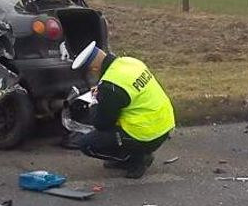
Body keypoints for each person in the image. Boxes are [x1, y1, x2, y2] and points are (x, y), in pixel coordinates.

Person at [70, 41, 174, 179]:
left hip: (146, 134)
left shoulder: (110, 85)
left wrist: (94, 103)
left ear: (94, 69)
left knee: (86, 144)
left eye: (89, 72)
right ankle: (133, 154)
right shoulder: (129, 62)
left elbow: (102, 124)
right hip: (165, 124)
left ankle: (137, 159)